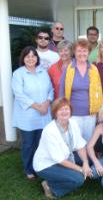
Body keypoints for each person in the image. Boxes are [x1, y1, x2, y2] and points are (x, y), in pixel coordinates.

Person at [33, 97, 92, 198]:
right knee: (79, 179)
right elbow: (60, 160)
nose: (64, 112)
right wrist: (81, 169)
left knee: (89, 160)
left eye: (66, 109)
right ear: (55, 112)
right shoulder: (50, 131)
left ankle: (58, 177)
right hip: (47, 164)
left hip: (65, 156)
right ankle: (50, 186)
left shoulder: (73, 123)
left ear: (70, 110)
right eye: (60, 109)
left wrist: (85, 163)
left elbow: (80, 145)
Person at [12, 46, 53, 180]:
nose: (31, 59)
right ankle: (28, 169)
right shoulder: (18, 74)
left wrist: (47, 103)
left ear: (37, 58)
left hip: (43, 114)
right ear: (23, 58)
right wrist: (37, 106)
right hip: (28, 116)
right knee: (28, 144)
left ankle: (39, 166)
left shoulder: (43, 72)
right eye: (27, 56)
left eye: (33, 56)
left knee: (40, 143)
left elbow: (51, 89)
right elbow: (19, 94)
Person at [59, 38, 103, 141]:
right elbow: (62, 91)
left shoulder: (93, 69)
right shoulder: (69, 69)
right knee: (74, 142)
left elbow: (99, 91)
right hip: (73, 114)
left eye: (84, 51)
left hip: (90, 114)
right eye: (79, 50)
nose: (82, 53)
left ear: (88, 52)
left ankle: (86, 158)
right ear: (74, 52)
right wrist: (62, 111)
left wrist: (99, 111)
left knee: (88, 142)